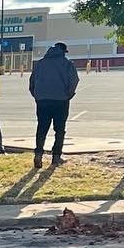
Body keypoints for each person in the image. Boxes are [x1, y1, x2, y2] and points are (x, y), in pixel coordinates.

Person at [29, 40, 80, 168]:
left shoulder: (40, 63)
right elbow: (74, 81)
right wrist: (68, 95)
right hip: (60, 101)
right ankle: (56, 157)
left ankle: (38, 154)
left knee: (42, 128)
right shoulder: (67, 64)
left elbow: (32, 82)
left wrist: (37, 96)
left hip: (42, 101)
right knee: (59, 129)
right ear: (63, 51)